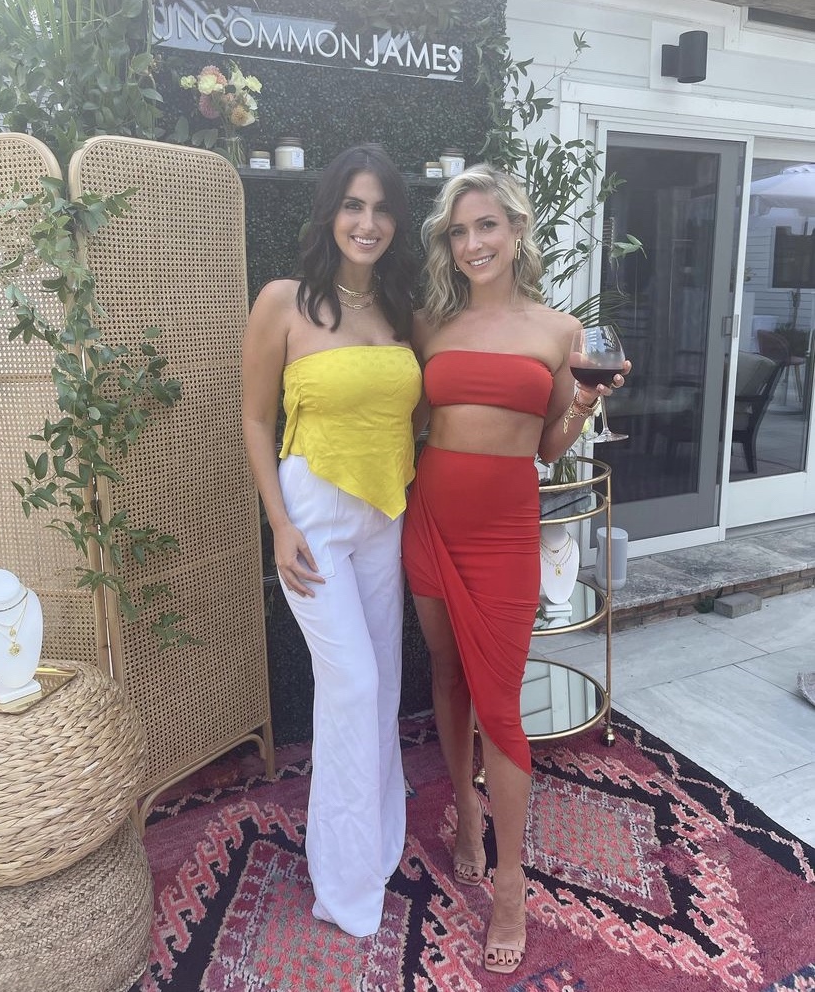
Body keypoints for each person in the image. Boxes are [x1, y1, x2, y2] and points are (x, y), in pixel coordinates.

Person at [402, 163, 629, 974]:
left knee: (499, 705)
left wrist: (586, 403)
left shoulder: (560, 331)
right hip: (431, 520)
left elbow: (547, 444)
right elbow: (410, 420)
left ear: (516, 229)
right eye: (458, 230)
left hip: (503, 534)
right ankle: (465, 811)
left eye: (486, 226)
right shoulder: (429, 323)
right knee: (445, 675)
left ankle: (509, 882)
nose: (472, 243)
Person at [241, 144, 423, 938]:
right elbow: (255, 418)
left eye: (381, 208)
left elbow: (415, 410)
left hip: (385, 513)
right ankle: (344, 889)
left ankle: (375, 845)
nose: (368, 222)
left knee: (381, 686)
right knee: (350, 685)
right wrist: (278, 523)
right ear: (329, 213)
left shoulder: (400, 306)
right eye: (354, 205)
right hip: (312, 515)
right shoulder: (284, 301)